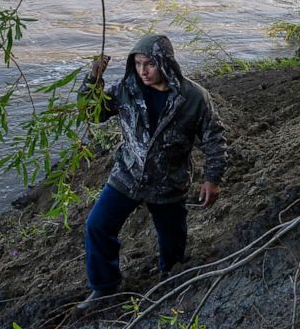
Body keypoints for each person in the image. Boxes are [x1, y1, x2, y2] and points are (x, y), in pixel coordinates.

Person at [77, 33, 226, 309]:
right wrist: (93, 79)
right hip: (128, 175)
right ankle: (104, 288)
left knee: (172, 244)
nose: (143, 71)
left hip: (168, 182)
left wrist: (212, 178)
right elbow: (93, 113)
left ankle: (170, 278)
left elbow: (214, 138)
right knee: (96, 226)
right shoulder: (126, 90)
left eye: (149, 64)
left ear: (165, 63)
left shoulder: (193, 97)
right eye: (138, 64)